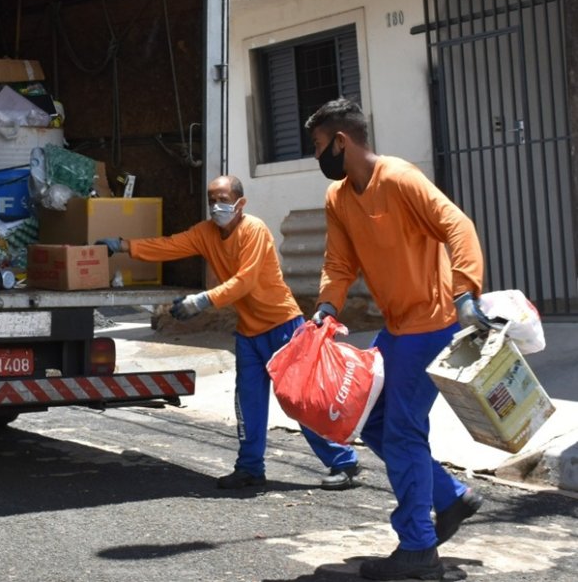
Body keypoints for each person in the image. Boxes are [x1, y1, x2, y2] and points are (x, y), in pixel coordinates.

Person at [305, 98, 488, 580]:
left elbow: (457, 225)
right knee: (373, 422)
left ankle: (418, 549)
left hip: (433, 323)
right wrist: (328, 304)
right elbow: (340, 263)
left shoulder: (400, 179)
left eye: (320, 146)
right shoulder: (339, 198)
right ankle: (450, 497)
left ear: (342, 142)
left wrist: (467, 290)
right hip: (396, 329)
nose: (317, 156)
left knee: (404, 430)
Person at [96, 175, 360, 491]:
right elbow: (170, 244)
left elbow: (244, 281)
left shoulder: (255, 230)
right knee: (247, 403)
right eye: (211, 200)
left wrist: (202, 300)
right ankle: (249, 468)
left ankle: (344, 462)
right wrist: (124, 245)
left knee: (299, 400)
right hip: (248, 332)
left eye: (222, 199)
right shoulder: (206, 233)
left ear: (240, 203)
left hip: (283, 328)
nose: (216, 207)